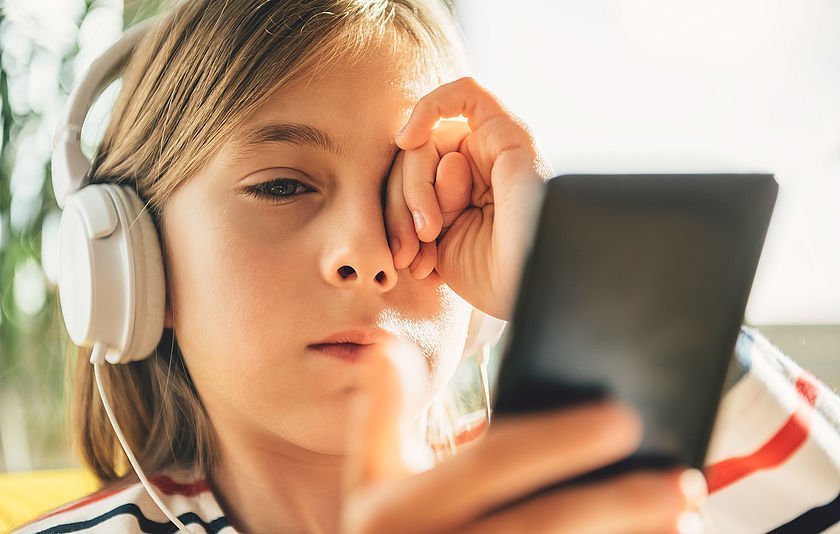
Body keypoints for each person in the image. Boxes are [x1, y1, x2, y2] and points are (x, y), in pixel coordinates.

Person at [15, 0, 840, 533]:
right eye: (281, 185)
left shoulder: (584, 494)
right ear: (133, 262)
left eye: (413, 199)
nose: (370, 257)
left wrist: (568, 283)